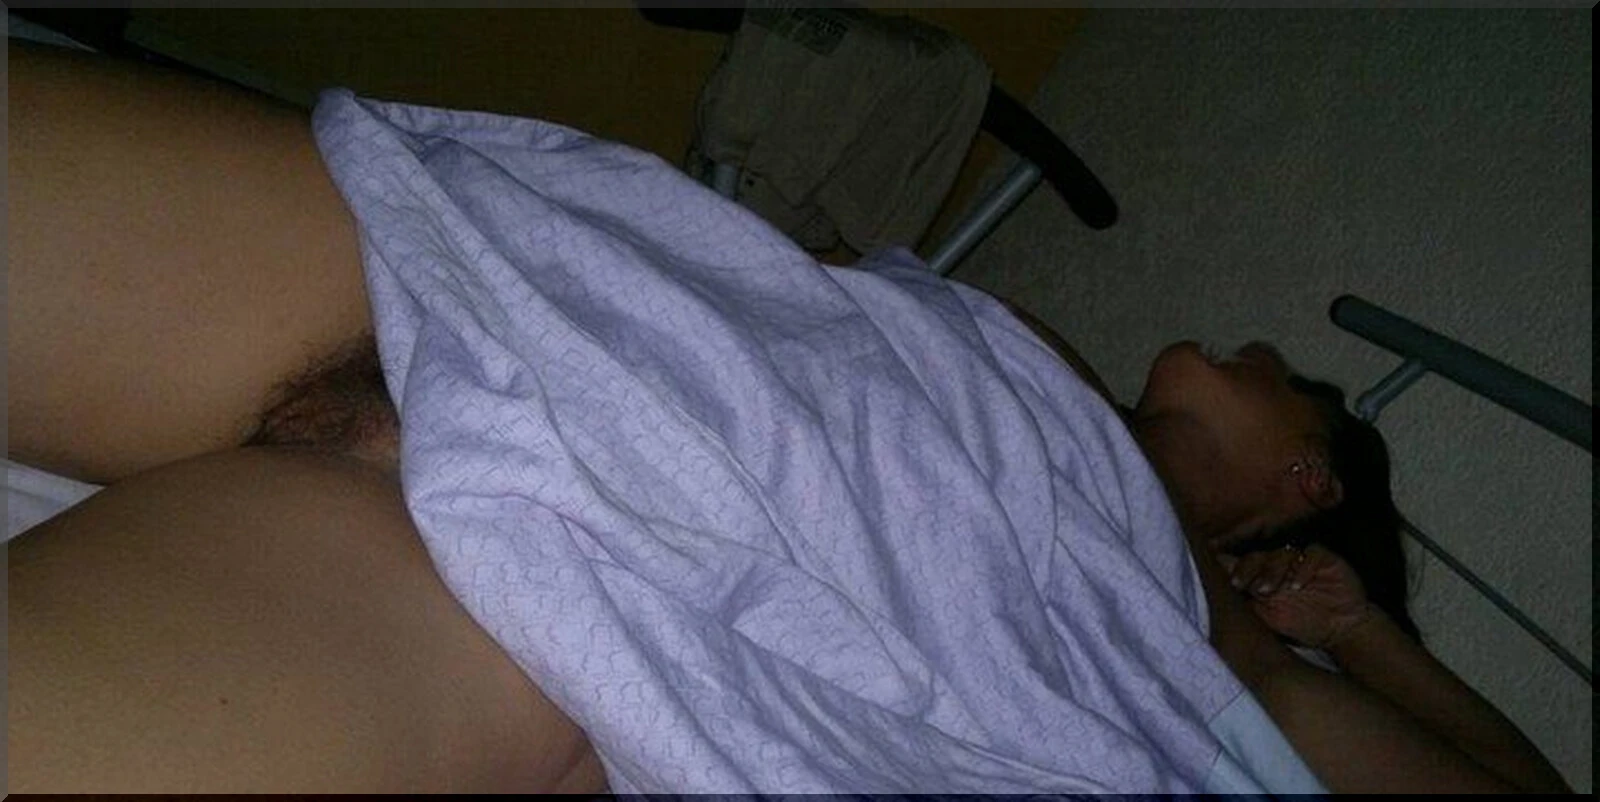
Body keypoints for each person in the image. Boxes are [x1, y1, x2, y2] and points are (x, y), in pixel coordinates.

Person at [5, 41, 1571, 794]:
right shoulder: (1024, 345)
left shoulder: (1205, 655)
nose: (1254, 342)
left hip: (599, 605)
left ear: (1300, 480)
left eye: (1288, 377)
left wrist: (1362, 637)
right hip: (499, 266)